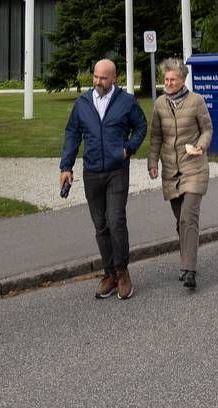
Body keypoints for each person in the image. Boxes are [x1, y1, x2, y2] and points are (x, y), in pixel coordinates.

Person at [59, 58, 147, 300]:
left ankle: (122, 271)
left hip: (117, 171)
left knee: (116, 220)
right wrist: (66, 166)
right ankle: (109, 274)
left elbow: (141, 126)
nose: (98, 82)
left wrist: (128, 149)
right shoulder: (83, 103)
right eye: (96, 77)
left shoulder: (126, 102)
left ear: (114, 78)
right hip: (92, 172)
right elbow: (72, 134)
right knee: (100, 225)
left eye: (103, 78)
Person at [147, 57, 213, 290]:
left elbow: (207, 129)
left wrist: (201, 146)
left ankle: (189, 270)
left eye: (172, 79)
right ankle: (187, 261)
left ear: (183, 80)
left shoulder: (196, 101)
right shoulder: (160, 104)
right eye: (166, 79)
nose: (168, 83)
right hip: (171, 171)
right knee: (180, 221)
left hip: (194, 167)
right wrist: (152, 162)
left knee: (188, 217)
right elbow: (156, 136)